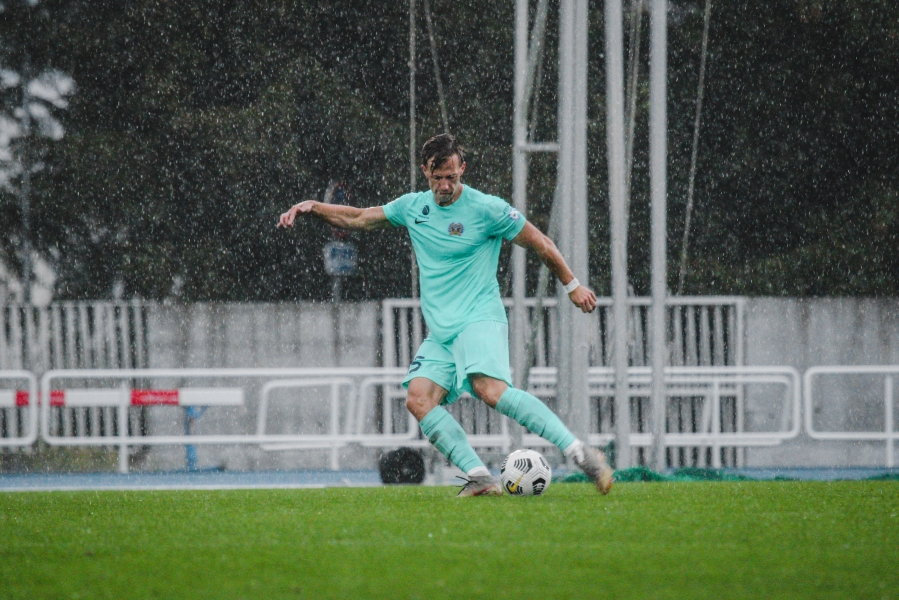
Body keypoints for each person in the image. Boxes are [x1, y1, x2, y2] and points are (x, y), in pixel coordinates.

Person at [278, 134, 613, 497]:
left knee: (489, 389)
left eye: (451, 177)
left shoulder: (487, 209)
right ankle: (480, 477)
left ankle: (580, 452)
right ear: (425, 171)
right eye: (437, 178)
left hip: (479, 316)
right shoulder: (412, 207)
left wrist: (572, 285)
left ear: (462, 169)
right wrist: (314, 207)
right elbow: (358, 217)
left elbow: (542, 244)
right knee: (418, 398)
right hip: (442, 331)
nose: (445, 185)